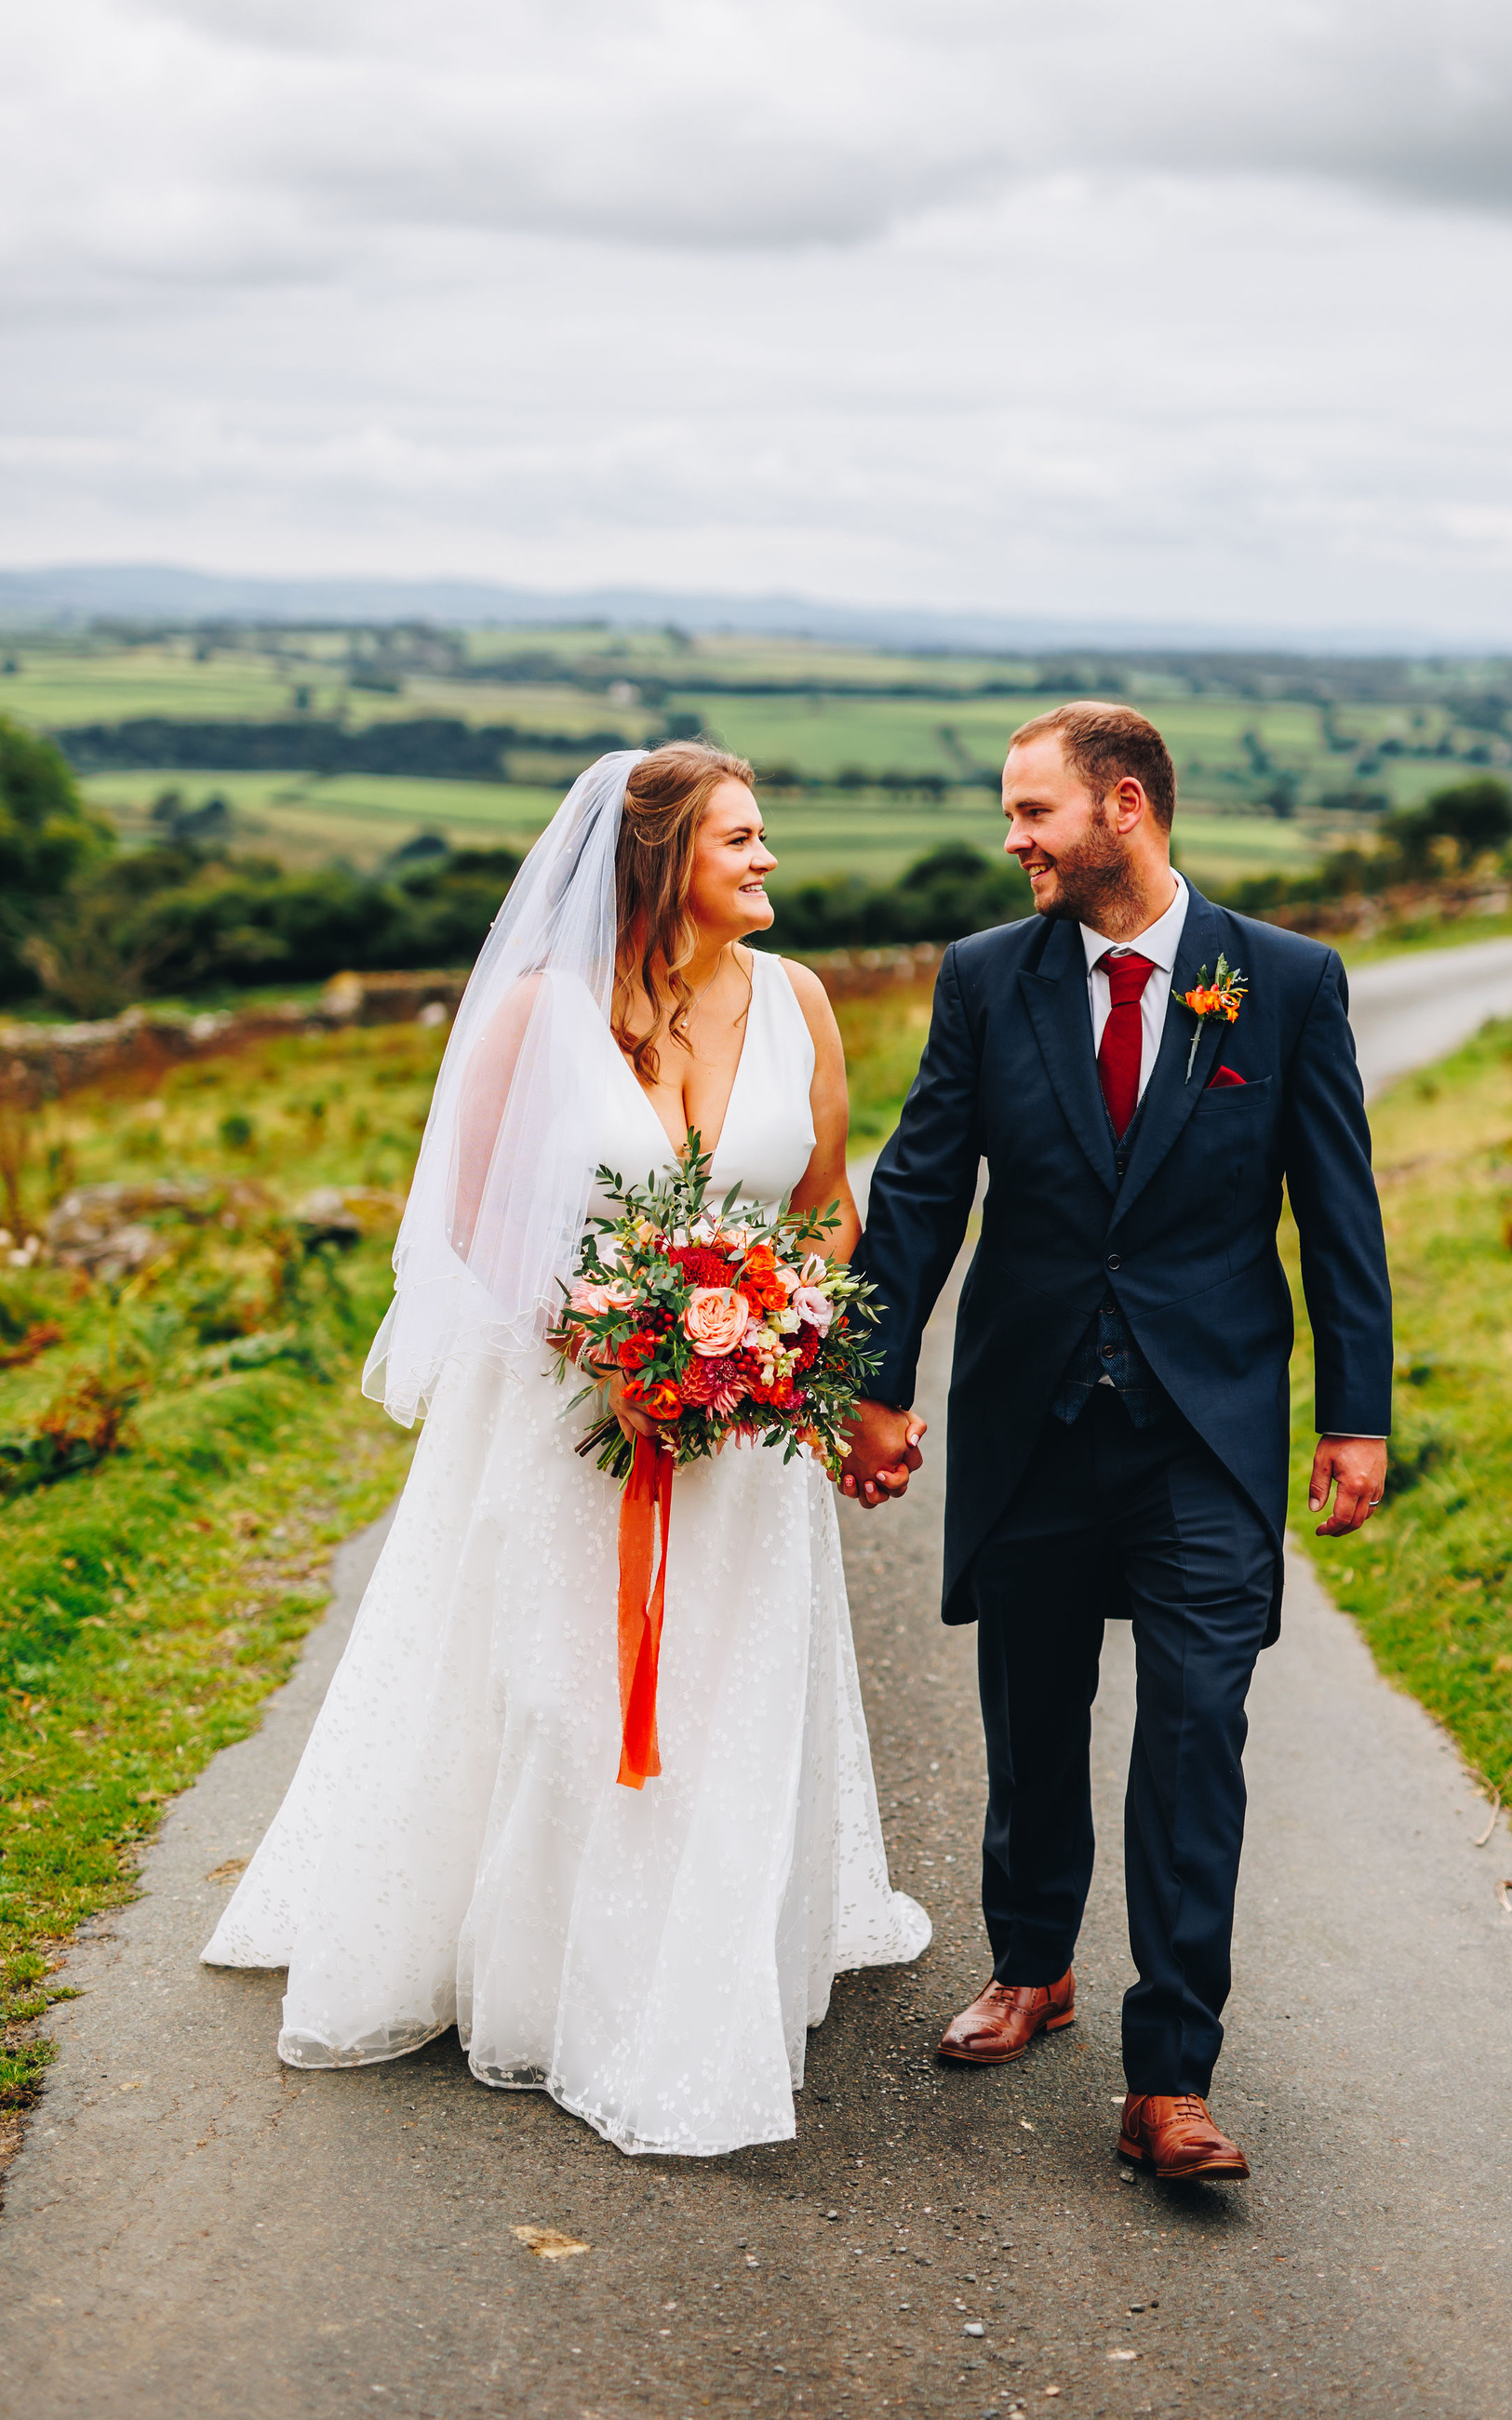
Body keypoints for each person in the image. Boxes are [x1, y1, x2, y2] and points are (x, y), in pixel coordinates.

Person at [205, 744, 929, 2158]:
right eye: (742, 838)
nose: (769, 859)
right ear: (663, 860)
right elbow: (470, 1223)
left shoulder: (800, 1003)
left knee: (726, 1691)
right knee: (552, 1692)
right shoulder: (539, 1016)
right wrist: (614, 1344)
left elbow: (829, 1208)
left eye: (765, 834)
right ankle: (534, 1976)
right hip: (562, 1418)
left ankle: (692, 1963)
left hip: (741, 1440)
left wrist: (779, 1349)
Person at [844, 701, 1391, 2181]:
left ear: (1127, 809)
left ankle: (1173, 2076)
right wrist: (876, 1379)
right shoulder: (984, 979)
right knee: (1032, 1715)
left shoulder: (1278, 983)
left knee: (1195, 1731)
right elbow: (917, 1192)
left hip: (1203, 1433)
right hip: (1033, 1418)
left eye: (1034, 814)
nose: (1011, 840)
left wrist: (1356, 1413)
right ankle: (1032, 1966)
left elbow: (1337, 1210)